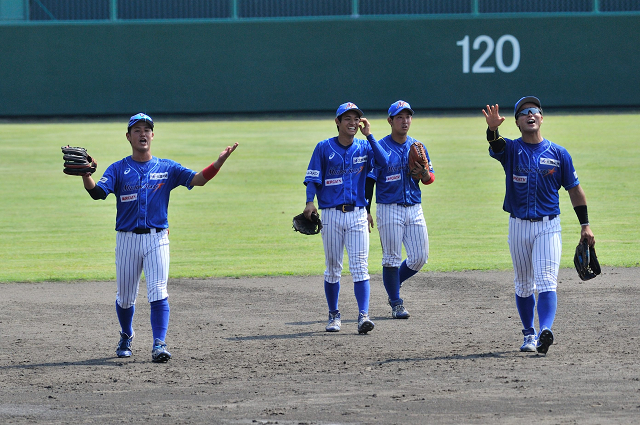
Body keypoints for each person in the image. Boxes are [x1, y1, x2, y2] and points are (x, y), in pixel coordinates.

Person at [77, 113, 238, 362]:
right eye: (137, 130)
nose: (143, 134)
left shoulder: (167, 167)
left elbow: (198, 180)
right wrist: (86, 175)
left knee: (158, 290)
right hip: (127, 240)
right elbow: (98, 193)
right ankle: (126, 334)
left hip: (157, 238)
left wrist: (218, 163)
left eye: (147, 129)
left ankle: (159, 343)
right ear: (128, 136)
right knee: (126, 296)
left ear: (153, 135)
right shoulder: (118, 169)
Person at [482, 97, 595, 354]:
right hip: (518, 227)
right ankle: (528, 334)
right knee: (523, 285)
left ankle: (545, 330)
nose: (530, 114)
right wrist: (491, 128)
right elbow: (495, 144)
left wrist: (585, 225)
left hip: (548, 226)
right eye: (524, 113)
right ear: (518, 123)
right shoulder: (511, 150)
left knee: (546, 281)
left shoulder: (559, 154)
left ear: (541, 118)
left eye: (534, 111)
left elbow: (575, 191)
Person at [303, 102, 388, 334]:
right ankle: (334, 315)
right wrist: (310, 202)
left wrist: (370, 136)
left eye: (356, 118)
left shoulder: (364, 147)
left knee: (360, 267)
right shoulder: (323, 148)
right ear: (337, 122)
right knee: (333, 268)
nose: (353, 122)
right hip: (330, 215)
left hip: (358, 214)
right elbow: (313, 178)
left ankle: (363, 316)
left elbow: (384, 162)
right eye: (347, 118)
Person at [365, 100, 434, 319]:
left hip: (414, 207)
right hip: (388, 208)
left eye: (408, 117)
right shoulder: (380, 147)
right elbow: (370, 181)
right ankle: (396, 302)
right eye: (400, 117)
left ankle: (394, 283)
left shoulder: (418, 146)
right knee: (391, 258)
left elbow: (430, 179)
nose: (405, 121)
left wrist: (424, 174)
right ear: (390, 121)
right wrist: (366, 209)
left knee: (419, 257)